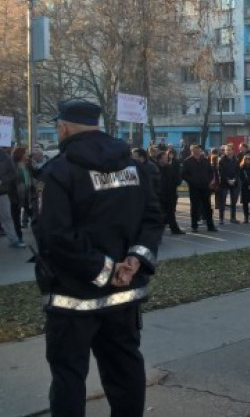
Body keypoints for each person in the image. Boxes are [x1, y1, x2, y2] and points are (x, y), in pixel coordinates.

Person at [33, 100, 162, 416]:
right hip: (124, 294)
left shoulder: (58, 172)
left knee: (68, 377)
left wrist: (105, 269)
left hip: (72, 297)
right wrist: (134, 261)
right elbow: (153, 217)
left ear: (63, 128)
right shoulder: (133, 166)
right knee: (125, 369)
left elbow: (55, 236)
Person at [181, 144, 218, 232]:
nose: (197, 152)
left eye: (198, 150)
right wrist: (192, 180)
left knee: (207, 207)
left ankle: (210, 226)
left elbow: (210, 172)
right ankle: (194, 226)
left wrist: (208, 180)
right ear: (192, 151)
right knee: (194, 207)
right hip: (194, 188)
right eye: (195, 150)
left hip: (205, 187)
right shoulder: (187, 161)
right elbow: (183, 174)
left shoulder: (205, 160)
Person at [0, 148, 26, 248]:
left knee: (6, 216)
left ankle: (13, 239)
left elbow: (12, 174)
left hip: (2, 192)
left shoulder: (5, 157)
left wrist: (2, 180)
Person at [156, 151, 184, 234]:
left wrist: (178, 181)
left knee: (171, 213)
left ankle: (175, 229)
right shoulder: (155, 168)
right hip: (159, 195)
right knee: (159, 213)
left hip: (170, 193)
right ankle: (157, 230)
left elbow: (176, 178)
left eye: (166, 158)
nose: (166, 159)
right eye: (164, 158)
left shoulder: (169, 167)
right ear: (159, 159)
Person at [217, 145, 241, 224]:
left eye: (230, 150)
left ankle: (233, 218)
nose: (228, 151)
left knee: (233, 201)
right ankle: (221, 218)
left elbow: (238, 171)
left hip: (234, 182)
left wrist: (234, 179)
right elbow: (221, 172)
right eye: (227, 150)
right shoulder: (221, 160)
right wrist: (227, 180)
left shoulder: (236, 160)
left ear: (233, 151)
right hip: (224, 182)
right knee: (222, 201)